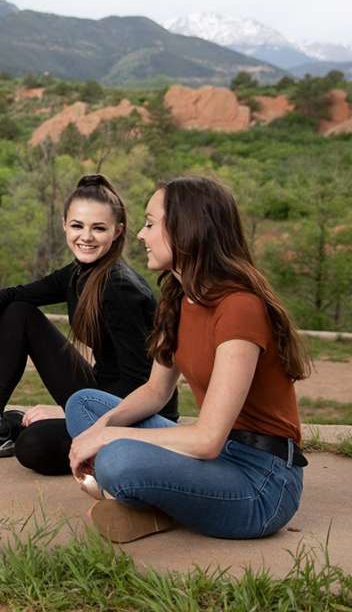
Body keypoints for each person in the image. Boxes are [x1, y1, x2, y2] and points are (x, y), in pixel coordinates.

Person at [67, 176, 310, 543]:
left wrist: (106, 438)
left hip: (261, 482)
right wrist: (99, 430)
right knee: (85, 406)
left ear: (186, 230)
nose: (140, 236)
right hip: (214, 459)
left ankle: (151, 500)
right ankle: (166, 503)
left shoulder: (239, 308)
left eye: (150, 224)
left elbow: (208, 439)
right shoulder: (180, 297)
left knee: (117, 459)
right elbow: (154, 390)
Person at [0, 174, 178, 474]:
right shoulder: (80, 272)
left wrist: (64, 410)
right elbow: (20, 294)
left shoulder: (120, 288)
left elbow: (141, 385)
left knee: (33, 447)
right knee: (19, 311)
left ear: (118, 231)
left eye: (99, 228)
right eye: (77, 226)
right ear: (64, 225)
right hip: (99, 390)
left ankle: (14, 429)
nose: (86, 236)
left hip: (138, 415)